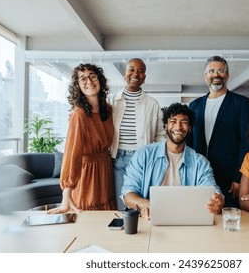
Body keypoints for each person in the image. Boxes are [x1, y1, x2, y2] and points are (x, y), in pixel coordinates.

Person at [121, 103, 224, 219]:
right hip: (151, 220)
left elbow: (212, 189)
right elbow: (128, 194)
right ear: (165, 126)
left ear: (190, 128)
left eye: (184, 122)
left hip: (187, 220)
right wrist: (149, 205)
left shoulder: (200, 163)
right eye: (173, 121)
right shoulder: (143, 155)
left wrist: (217, 200)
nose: (178, 127)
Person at [48, 63, 117, 214]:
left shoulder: (108, 109)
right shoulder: (79, 114)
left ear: (100, 80)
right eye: (82, 79)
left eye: (92, 76)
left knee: (107, 217)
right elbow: (73, 153)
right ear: (77, 86)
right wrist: (67, 192)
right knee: (88, 216)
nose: (89, 81)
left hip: (105, 168)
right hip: (88, 173)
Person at [187, 55, 249, 208]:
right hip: (200, 176)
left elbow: (247, 142)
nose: (216, 75)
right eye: (211, 71)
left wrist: (239, 178)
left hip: (230, 178)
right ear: (205, 77)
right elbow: (189, 143)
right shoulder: (194, 105)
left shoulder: (242, 103)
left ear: (227, 75)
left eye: (220, 71)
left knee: (228, 218)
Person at [108, 58, 166, 210]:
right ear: (124, 73)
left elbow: (160, 134)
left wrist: (155, 155)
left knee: (143, 202)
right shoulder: (111, 100)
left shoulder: (152, 103)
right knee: (123, 204)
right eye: (132, 70)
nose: (136, 74)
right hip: (118, 159)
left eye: (141, 71)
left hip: (142, 158)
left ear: (144, 78)